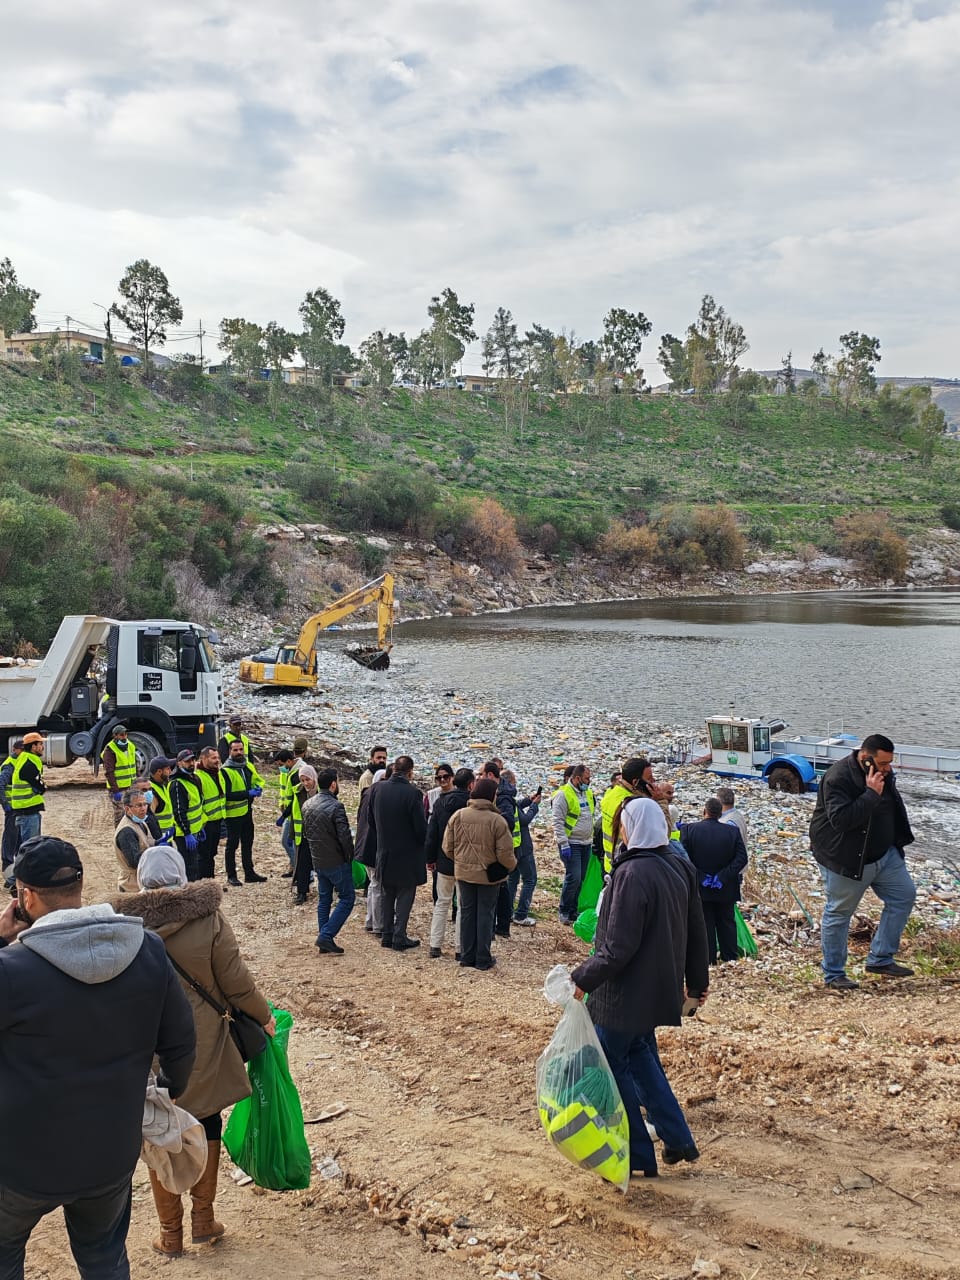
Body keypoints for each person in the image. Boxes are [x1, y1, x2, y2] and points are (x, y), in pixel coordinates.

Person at [0, 837, 196, 1278]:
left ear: (25, 896)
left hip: (21, 1159)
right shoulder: (147, 950)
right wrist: (160, 1096)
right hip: (110, 1150)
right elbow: (181, 1045)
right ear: (81, 885)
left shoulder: (13, 971)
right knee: (104, 1257)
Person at [116, 845, 274, 1256]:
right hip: (202, 1042)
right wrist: (263, 1014)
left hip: (149, 1047)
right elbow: (235, 980)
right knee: (207, 1121)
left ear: (141, 881)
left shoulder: (126, 928)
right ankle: (204, 1219)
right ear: (182, 877)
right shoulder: (208, 918)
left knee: (158, 1132)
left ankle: (170, 1233)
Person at [571, 798, 709, 1178]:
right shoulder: (677, 865)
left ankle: (637, 1157)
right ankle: (679, 1139)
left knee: (615, 1069)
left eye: (622, 826)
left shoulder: (633, 875)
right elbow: (697, 930)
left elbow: (618, 948)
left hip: (623, 996)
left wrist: (582, 978)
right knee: (643, 1061)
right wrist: (698, 984)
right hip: (657, 990)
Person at [809, 733, 917, 990]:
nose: (888, 769)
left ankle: (880, 958)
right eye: (883, 764)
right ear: (866, 759)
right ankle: (834, 974)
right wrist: (870, 794)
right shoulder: (838, 778)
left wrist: (897, 841)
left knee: (904, 896)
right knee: (839, 913)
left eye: (890, 763)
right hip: (846, 859)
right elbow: (841, 821)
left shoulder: (882, 774)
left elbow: (891, 806)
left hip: (885, 856)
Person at [442, 777, 516, 971]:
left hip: (464, 873)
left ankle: (466, 956)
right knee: (485, 915)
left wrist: (461, 862)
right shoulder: (497, 821)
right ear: (492, 796)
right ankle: (483, 958)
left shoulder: (458, 815)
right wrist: (510, 866)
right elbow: (506, 854)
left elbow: (447, 847)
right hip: (488, 876)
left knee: (466, 913)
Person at [369, 755, 427, 951]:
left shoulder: (377, 789)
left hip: (384, 849)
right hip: (407, 853)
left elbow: (370, 821)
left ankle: (386, 934)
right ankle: (399, 935)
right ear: (410, 772)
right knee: (404, 894)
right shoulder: (413, 794)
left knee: (386, 893)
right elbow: (420, 829)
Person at [680, 798, 748, 964]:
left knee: (705, 923)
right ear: (720, 813)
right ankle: (730, 958)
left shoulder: (689, 830)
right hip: (725, 888)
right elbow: (742, 858)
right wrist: (722, 876)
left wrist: (701, 876)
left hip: (700, 888)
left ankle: (708, 959)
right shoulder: (732, 832)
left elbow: (683, 859)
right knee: (727, 922)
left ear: (705, 812)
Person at [302, 768, 356, 955]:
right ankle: (326, 935)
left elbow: (307, 833)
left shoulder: (307, 804)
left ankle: (324, 936)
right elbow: (345, 837)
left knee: (324, 899)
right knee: (347, 898)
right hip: (336, 860)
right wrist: (350, 856)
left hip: (318, 859)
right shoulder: (336, 807)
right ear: (333, 784)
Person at [425, 767, 474, 958]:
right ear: (471, 785)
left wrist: (430, 858)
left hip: (443, 860)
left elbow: (432, 835)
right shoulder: (471, 805)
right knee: (462, 906)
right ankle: (460, 949)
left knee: (441, 902)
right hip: (465, 863)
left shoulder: (440, 802)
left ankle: (434, 945)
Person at [552, 763, 595, 924]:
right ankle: (564, 910)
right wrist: (563, 843)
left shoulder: (588, 793)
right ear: (577, 778)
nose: (588, 781)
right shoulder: (563, 795)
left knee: (581, 878)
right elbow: (557, 821)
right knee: (574, 877)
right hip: (571, 843)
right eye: (586, 778)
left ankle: (573, 910)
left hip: (586, 843)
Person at [221, 740, 267, 886]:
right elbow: (227, 795)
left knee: (248, 843)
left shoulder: (247, 765)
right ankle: (231, 875)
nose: (239, 752)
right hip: (233, 815)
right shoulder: (225, 771)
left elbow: (257, 779)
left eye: (241, 749)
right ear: (230, 752)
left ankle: (249, 873)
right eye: (235, 750)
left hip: (247, 812)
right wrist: (247, 793)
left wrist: (258, 788)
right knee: (232, 845)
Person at [504, 770, 540, 927]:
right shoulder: (507, 800)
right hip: (522, 848)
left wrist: (528, 800)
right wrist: (534, 806)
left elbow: (516, 807)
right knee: (530, 879)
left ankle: (508, 911)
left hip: (512, 848)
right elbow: (524, 819)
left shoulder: (503, 799)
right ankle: (521, 914)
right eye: (514, 783)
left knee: (512, 879)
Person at [356, 766, 389, 935]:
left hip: (364, 846)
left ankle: (370, 920)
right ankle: (378, 924)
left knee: (372, 885)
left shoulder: (367, 794)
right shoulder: (378, 796)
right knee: (377, 886)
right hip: (373, 847)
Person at [599, 758, 644, 873]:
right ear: (635, 782)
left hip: (610, 863)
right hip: (626, 868)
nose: (653, 782)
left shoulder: (610, 794)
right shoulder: (632, 804)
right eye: (650, 779)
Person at [169, 748, 206, 882]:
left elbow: (197, 806)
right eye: (187, 761)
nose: (191, 763)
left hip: (194, 830)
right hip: (184, 834)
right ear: (179, 763)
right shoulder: (177, 784)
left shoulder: (193, 778)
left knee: (194, 865)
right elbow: (179, 812)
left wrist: (200, 826)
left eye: (192, 760)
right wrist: (187, 833)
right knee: (188, 867)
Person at [287, 764, 320, 904]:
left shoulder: (321, 792)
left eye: (308, 779)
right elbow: (295, 814)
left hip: (319, 836)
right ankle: (302, 892)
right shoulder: (298, 792)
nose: (306, 783)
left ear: (314, 778)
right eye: (302, 780)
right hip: (304, 835)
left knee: (323, 864)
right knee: (302, 864)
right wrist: (292, 833)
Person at [9, 731, 46, 846]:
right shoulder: (29, 762)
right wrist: (43, 787)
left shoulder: (24, 758)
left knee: (26, 848)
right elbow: (39, 786)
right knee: (31, 848)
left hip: (24, 810)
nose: (42, 747)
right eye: (40, 744)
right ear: (33, 746)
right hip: (28, 811)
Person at [114, 787, 154, 893]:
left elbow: (146, 843)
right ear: (127, 809)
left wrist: (159, 843)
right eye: (139, 805)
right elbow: (134, 861)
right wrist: (154, 852)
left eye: (145, 804)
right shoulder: (126, 831)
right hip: (132, 885)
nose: (143, 808)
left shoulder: (140, 821)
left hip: (141, 878)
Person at [196, 746, 226, 881]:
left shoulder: (217, 773)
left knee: (212, 854)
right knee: (204, 855)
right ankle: (203, 882)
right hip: (205, 823)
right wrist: (203, 820)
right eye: (213, 758)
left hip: (218, 820)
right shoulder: (198, 777)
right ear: (203, 759)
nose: (217, 760)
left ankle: (210, 881)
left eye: (218, 757)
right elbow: (197, 803)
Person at [101, 724, 138, 824]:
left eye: (126, 734)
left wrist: (137, 782)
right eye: (122, 735)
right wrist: (115, 790)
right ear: (115, 736)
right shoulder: (110, 750)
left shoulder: (130, 745)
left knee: (133, 814)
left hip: (130, 787)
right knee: (120, 816)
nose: (125, 737)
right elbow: (109, 772)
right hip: (118, 789)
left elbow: (134, 765)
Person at [0, 738, 23, 869]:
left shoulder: (19, 761)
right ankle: (7, 864)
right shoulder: (10, 764)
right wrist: (6, 804)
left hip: (18, 805)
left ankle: (16, 864)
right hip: (12, 807)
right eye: (22, 749)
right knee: (11, 836)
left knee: (18, 836)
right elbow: (0, 785)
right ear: (15, 750)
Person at [274, 748, 297, 874]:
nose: (280, 768)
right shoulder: (288, 772)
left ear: (288, 761)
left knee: (287, 842)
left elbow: (295, 799)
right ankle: (295, 867)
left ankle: (298, 868)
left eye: (281, 765)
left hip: (294, 814)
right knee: (289, 843)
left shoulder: (296, 774)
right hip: (289, 813)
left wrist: (283, 816)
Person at [148, 755, 177, 842]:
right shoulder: (152, 792)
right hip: (161, 841)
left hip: (167, 839)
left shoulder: (161, 786)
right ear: (159, 772)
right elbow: (149, 819)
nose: (170, 771)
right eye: (167, 769)